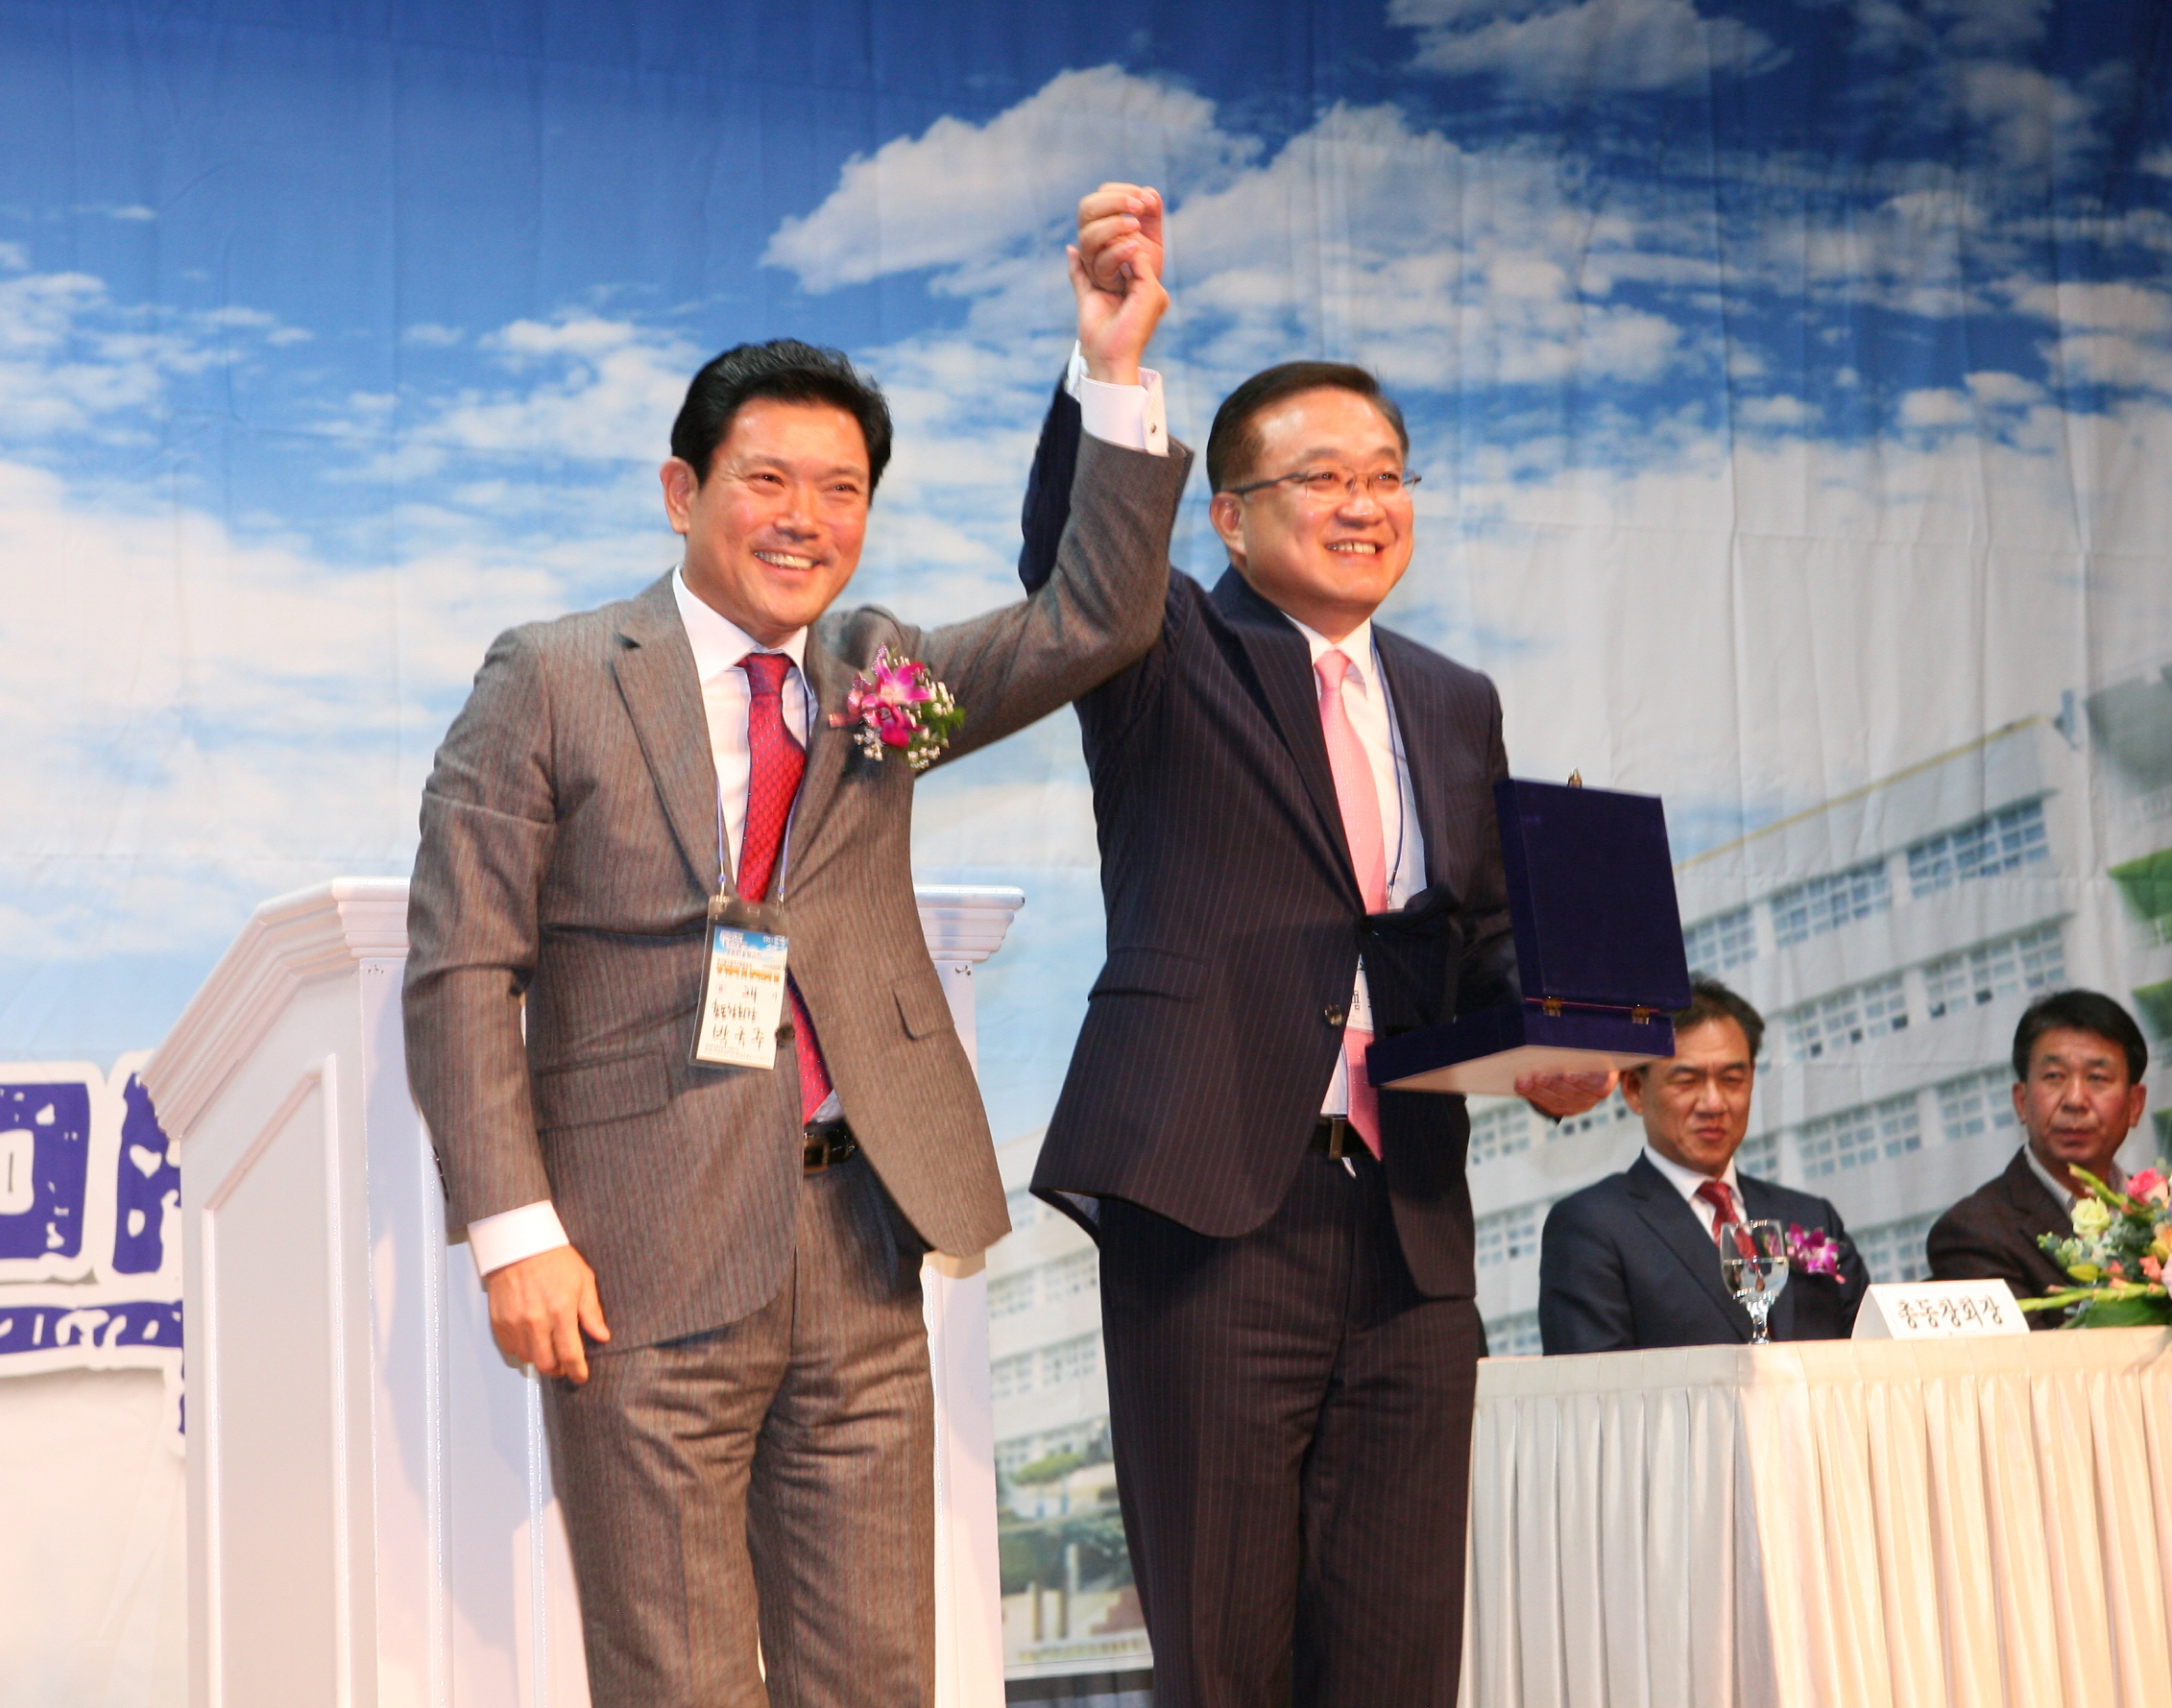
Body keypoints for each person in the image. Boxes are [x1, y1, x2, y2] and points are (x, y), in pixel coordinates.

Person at [400, 185, 1190, 1708]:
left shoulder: (877, 671)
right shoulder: (551, 677)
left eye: (841, 490)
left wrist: (1112, 367)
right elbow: (462, 970)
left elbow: (1092, 621)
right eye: (766, 479)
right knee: (682, 1679)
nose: (804, 519)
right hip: (635, 1253)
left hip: (860, 1236)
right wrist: (514, 1231)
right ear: (682, 491)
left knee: (876, 1678)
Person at [1016, 308, 1615, 1708]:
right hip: (1217, 1208)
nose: (1364, 504)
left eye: (1388, 475)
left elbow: (1474, 939)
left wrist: (1550, 1039)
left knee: (1398, 1649)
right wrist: (1112, 369)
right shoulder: (1164, 647)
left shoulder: (1454, 699)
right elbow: (1069, 553)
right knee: (1226, 1646)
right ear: (1228, 518)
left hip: (1408, 1226)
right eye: (1324, 476)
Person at [1537, 977, 1868, 1351]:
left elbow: (1874, 1355)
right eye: (1687, 1080)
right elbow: (1593, 1380)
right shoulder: (1592, 1227)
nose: (1714, 1103)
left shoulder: (1812, 1217)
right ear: (1634, 1089)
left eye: (1732, 1079)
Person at [1925, 987, 2152, 1325]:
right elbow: (2023, 1356)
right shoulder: (1975, 1232)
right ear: (2021, 1101)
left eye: (2097, 1078)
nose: (2075, 1100)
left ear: (2134, 1104)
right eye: (2054, 1077)